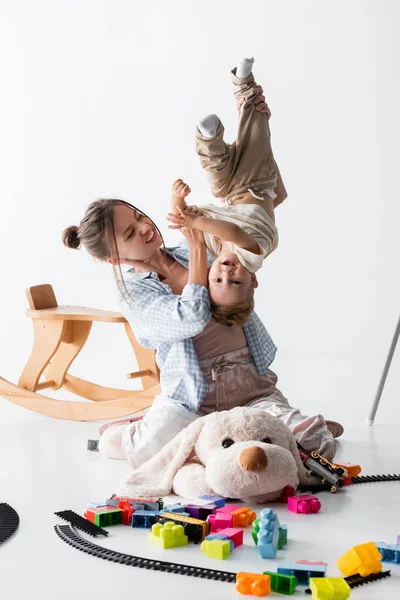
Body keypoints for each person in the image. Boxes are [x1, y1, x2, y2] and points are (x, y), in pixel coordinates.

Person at [62, 73, 342, 472]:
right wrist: (196, 246)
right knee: (147, 457)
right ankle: (127, 432)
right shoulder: (133, 293)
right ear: (115, 259)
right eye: (130, 232)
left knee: (315, 443)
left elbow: (262, 208)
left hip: (249, 385)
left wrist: (259, 137)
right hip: (191, 397)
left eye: (140, 216)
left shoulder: (190, 242)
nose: (146, 227)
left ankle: (252, 432)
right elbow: (191, 317)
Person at [167, 58, 281, 326]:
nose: (227, 272)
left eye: (218, 280)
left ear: (208, 275)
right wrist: (196, 221)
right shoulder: (253, 257)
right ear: (252, 279)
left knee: (215, 171)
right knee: (255, 129)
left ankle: (209, 135)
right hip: (259, 181)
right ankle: (244, 84)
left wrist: (177, 198)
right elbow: (234, 232)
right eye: (236, 281)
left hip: (229, 192)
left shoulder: (215, 247)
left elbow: (185, 224)